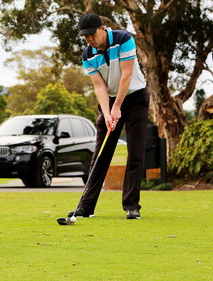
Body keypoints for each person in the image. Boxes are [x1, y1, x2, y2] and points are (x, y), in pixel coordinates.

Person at [70, 13, 149, 219]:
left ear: (102, 29)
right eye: (85, 36)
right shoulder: (88, 55)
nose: (89, 39)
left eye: (91, 34)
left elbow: (126, 76)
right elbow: (99, 86)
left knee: (136, 152)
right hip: (110, 101)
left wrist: (117, 107)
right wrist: (107, 112)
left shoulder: (124, 39)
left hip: (135, 98)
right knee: (101, 154)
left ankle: (131, 206)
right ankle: (86, 207)